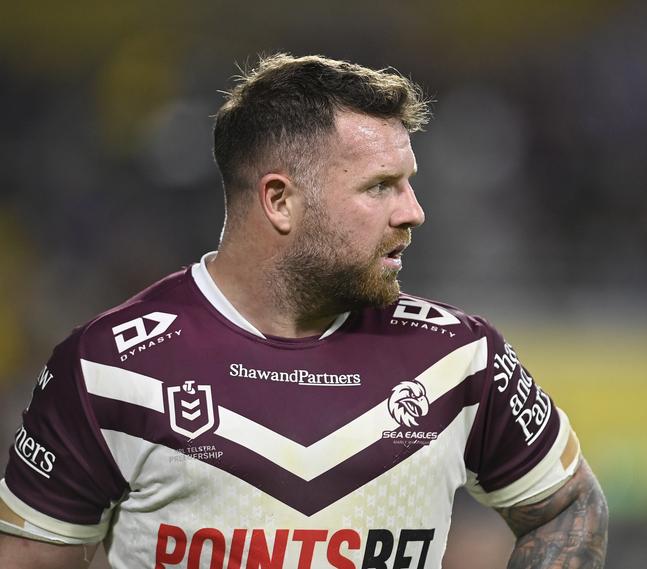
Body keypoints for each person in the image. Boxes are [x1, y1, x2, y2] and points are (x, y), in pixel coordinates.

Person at [0, 53, 608, 569]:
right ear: (280, 200)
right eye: (380, 187)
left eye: (409, 183)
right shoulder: (109, 368)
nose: (413, 211)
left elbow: (570, 504)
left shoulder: (458, 359)